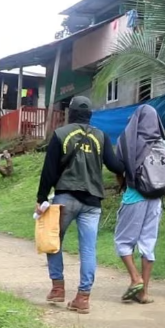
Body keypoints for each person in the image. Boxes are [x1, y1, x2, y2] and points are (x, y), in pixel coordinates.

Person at [35, 96, 124, 314]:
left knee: (53, 240)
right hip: (92, 202)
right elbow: (114, 165)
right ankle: (83, 298)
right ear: (90, 114)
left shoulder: (61, 134)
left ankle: (58, 288)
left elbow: (49, 170)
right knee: (88, 250)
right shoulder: (101, 137)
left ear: (71, 113)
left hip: (65, 198)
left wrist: (42, 198)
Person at [115, 104, 165, 305]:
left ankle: (135, 278)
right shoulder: (163, 143)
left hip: (134, 197)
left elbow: (118, 168)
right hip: (156, 198)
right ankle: (143, 293)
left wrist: (125, 184)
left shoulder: (127, 140)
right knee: (148, 243)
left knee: (123, 241)